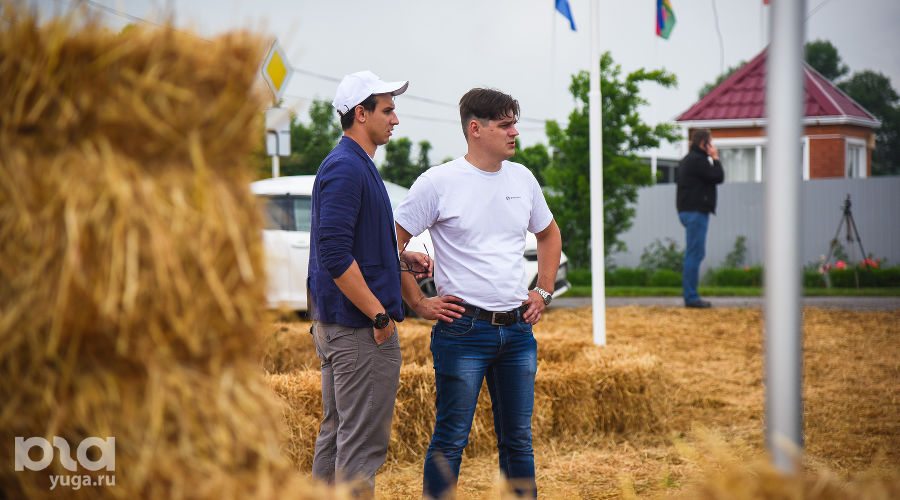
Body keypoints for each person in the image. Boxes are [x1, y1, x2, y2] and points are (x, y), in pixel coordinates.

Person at [394, 88, 562, 499]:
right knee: (451, 441)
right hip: (462, 330)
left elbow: (549, 234)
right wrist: (417, 302)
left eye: (513, 123)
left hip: (518, 331)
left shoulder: (523, 178)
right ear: (476, 129)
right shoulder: (438, 182)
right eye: (505, 124)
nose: (515, 132)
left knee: (518, 442)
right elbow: (388, 242)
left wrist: (543, 290)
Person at [307, 70, 431, 495]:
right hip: (359, 329)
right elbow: (336, 255)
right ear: (361, 114)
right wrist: (379, 316)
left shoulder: (353, 164)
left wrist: (398, 256)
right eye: (388, 110)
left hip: (342, 326)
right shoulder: (347, 168)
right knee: (359, 448)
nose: (395, 120)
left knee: (338, 436)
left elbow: (349, 246)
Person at [675, 128, 725, 308]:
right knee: (695, 254)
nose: (712, 146)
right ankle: (691, 297)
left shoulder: (687, 160)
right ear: (704, 143)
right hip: (696, 211)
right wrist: (716, 158)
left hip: (687, 211)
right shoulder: (699, 160)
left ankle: (691, 295)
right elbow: (718, 177)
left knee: (694, 253)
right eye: (710, 143)